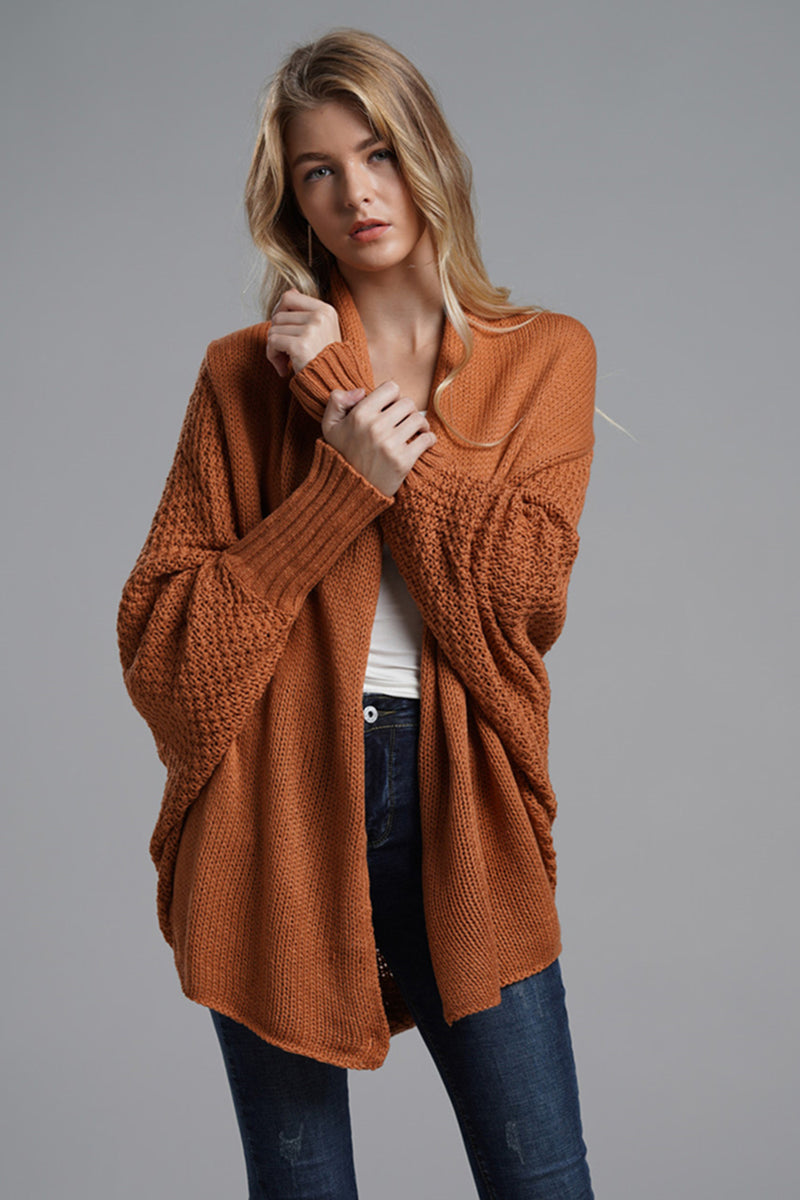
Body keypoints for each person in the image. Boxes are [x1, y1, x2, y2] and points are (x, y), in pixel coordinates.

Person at [117, 27, 598, 1200]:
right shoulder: (239, 375)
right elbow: (167, 655)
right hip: (272, 807)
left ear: (425, 155)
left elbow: (516, 598)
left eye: (376, 153)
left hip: (458, 804)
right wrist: (339, 488)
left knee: (543, 1181)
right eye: (318, 170)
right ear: (292, 198)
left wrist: (341, 394)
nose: (354, 192)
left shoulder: (544, 355)